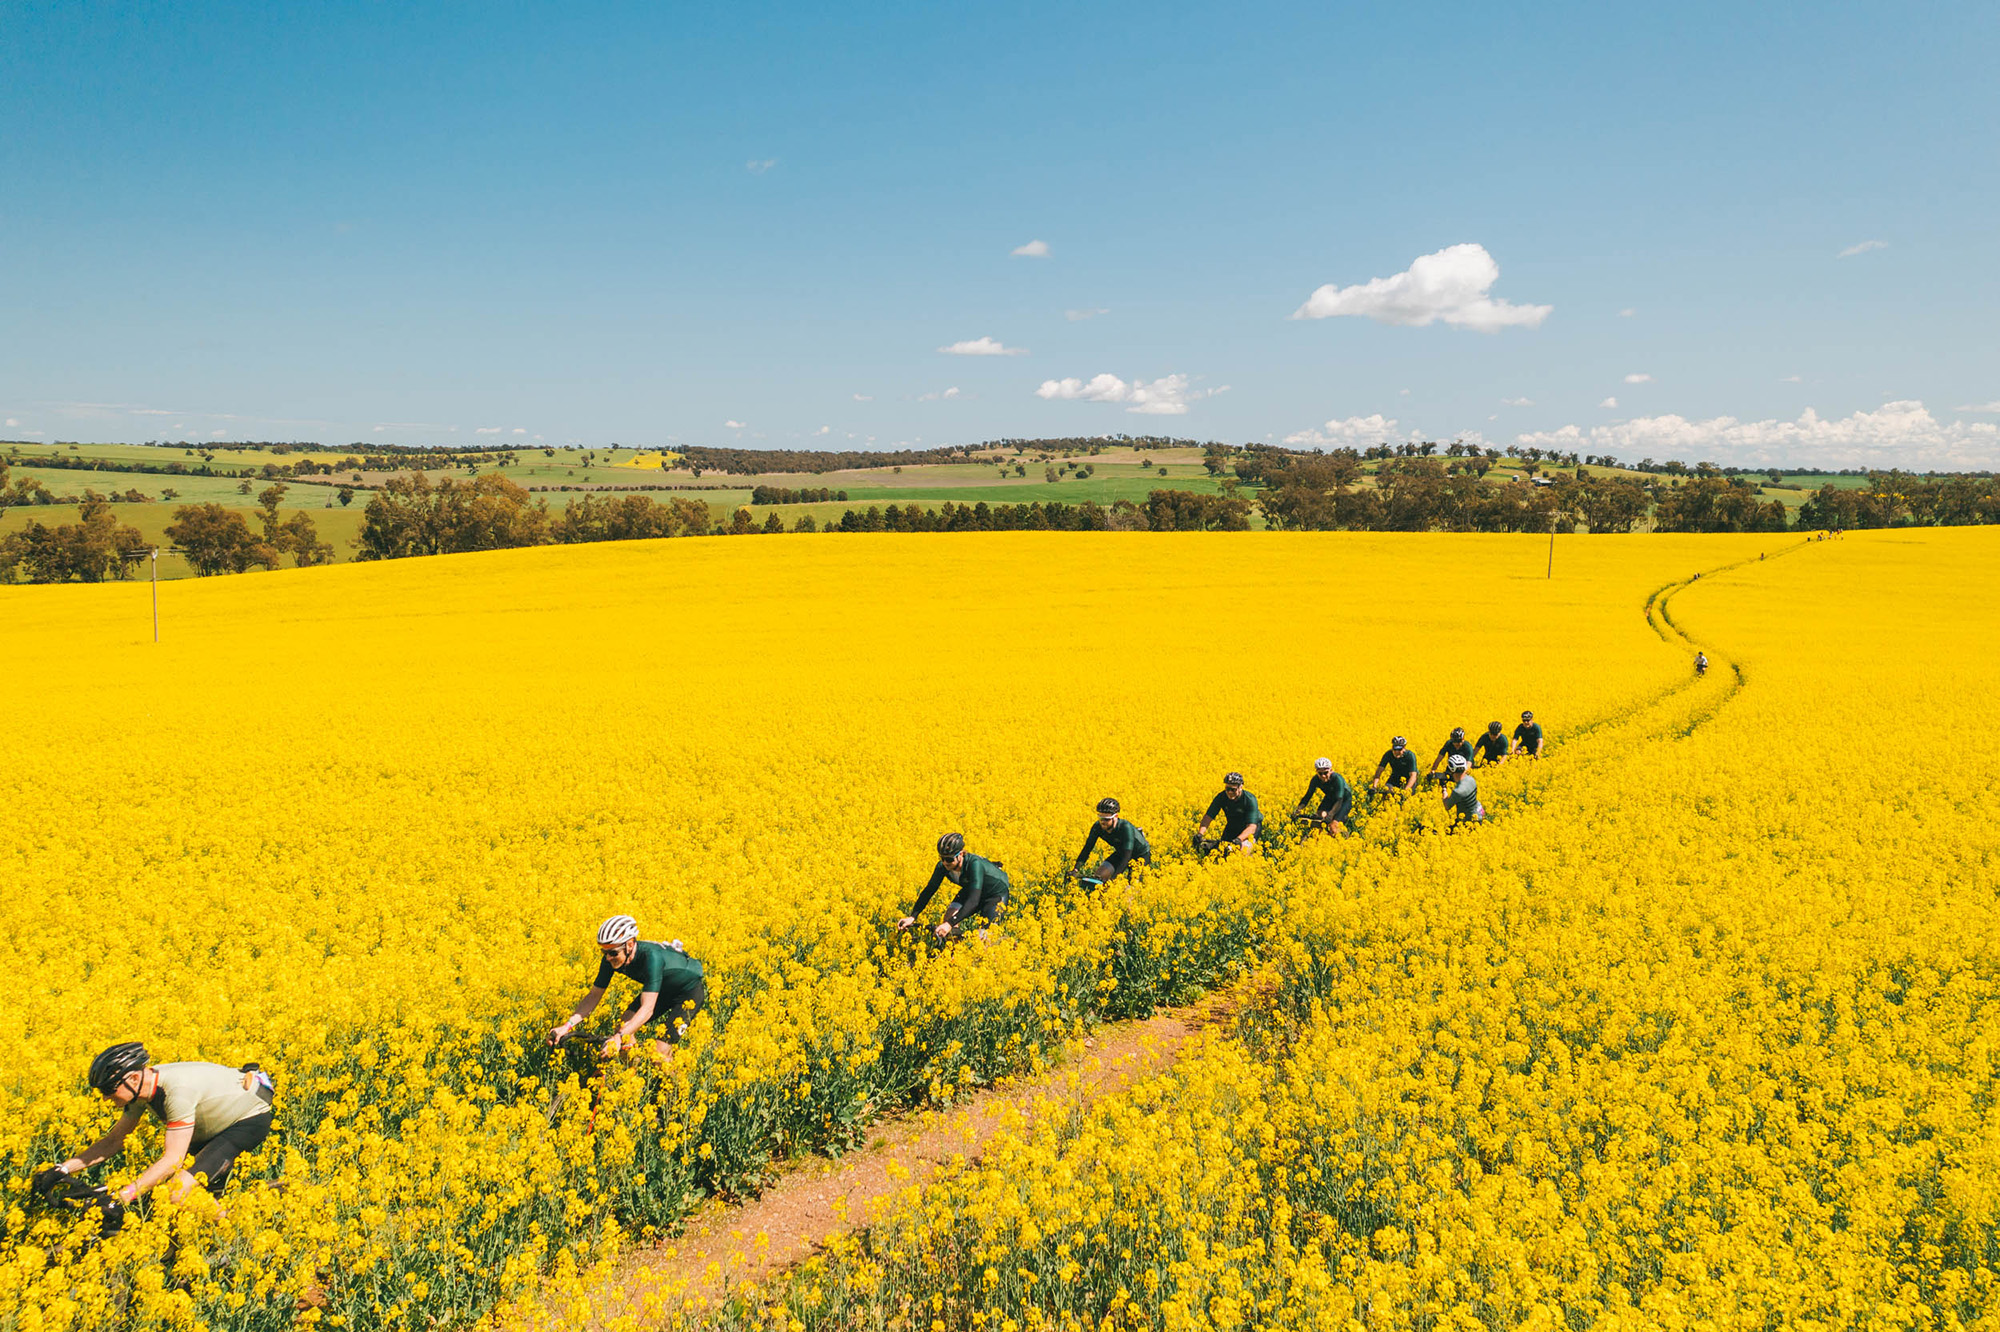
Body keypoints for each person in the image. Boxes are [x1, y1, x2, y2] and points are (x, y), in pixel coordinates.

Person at [35, 1043, 275, 1211]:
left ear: (133, 1079)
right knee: (166, 1190)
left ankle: (230, 1234)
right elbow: (114, 1141)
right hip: (212, 1120)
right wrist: (63, 1169)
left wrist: (123, 1197)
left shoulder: (176, 1093)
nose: (106, 1098)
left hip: (246, 1119)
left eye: (109, 1090)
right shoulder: (141, 1091)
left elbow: (173, 1159)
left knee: (176, 1192)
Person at [551, 915, 708, 1057]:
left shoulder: (651, 957)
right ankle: (628, 1075)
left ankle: (676, 1087)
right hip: (663, 988)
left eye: (613, 953)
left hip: (688, 993)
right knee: (623, 1025)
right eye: (603, 952)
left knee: (659, 1052)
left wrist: (618, 1038)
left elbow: (647, 1009)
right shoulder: (610, 958)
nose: (608, 958)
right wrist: (567, 1026)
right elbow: (594, 995)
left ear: (630, 945)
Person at [901, 833, 1010, 939]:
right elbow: (929, 890)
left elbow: (973, 901)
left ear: (961, 854)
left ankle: (1008, 944)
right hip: (973, 889)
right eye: (942, 858)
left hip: (995, 894)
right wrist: (912, 917)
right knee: (949, 917)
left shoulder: (974, 864)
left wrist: (949, 924)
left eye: (949, 859)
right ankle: (954, 954)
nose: (945, 862)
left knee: (984, 936)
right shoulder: (942, 867)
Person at [1074, 798, 1150, 882]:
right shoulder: (1097, 827)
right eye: (1101, 818)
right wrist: (1075, 869)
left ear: (1115, 817)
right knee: (1099, 875)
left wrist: (1114, 878)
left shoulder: (1125, 827)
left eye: (1107, 819)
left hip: (1141, 855)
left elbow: (1127, 856)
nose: (1103, 822)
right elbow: (1087, 848)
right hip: (1121, 852)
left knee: (1132, 886)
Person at [1194, 772, 1261, 852]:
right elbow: (1208, 817)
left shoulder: (1249, 800)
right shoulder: (1221, 797)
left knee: (1242, 851)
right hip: (1232, 825)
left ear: (1241, 787)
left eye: (1233, 789)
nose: (1229, 792)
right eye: (1227, 789)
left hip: (1250, 829)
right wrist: (1200, 834)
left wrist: (1239, 840)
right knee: (1221, 850)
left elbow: (1252, 827)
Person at [1294, 757, 1354, 836]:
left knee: (1333, 825)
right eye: (1320, 773)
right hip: (1330, 798)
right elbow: (1308, 796)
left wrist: (1331, 815)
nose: (1323, 776)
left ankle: (1341, 837)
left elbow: (1339, 800)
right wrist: (1298, 810)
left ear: (1331, 771)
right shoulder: (1315, 779)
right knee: (1319, 816)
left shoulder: (1337, 779)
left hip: (1343, 800)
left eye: (1325, 773)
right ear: (1316, 772)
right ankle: (1319, 840)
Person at [1441, 755, 1486, 828]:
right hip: (1479, 813)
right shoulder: (1471, 779)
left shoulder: (1458, 791)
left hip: (1468, 821)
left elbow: (1447, 806)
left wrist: (1444, 790)